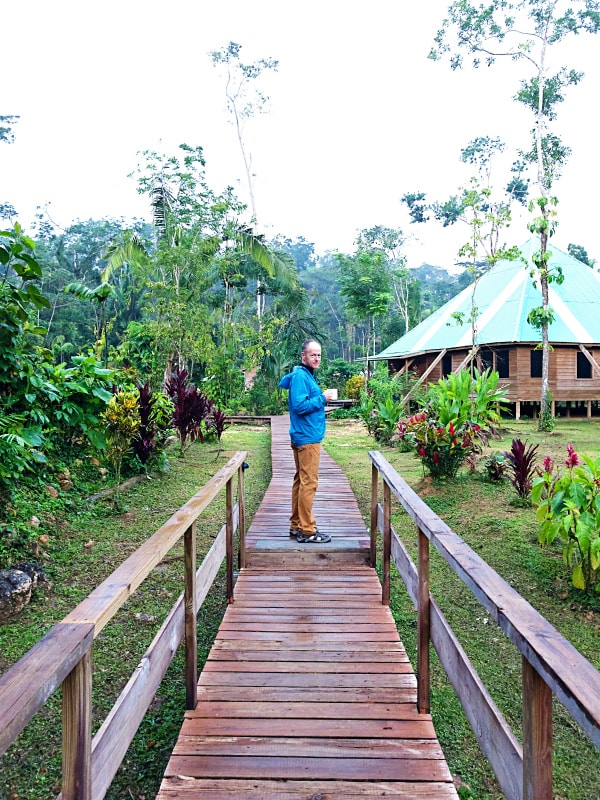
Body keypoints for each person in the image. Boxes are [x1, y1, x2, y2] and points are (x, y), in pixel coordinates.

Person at [278, 339, 336, 543]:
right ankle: (307, 530)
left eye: (319, 354)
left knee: (301, 481)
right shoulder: (302, 376)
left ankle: (296, 525)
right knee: (309, 482)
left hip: (303, 435)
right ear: (303, 356)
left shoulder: (300, 374)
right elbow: (300, 406)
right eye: (313, 354)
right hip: (307, 438)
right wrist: (323, 398)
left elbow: (284, 382)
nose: (317, 358)